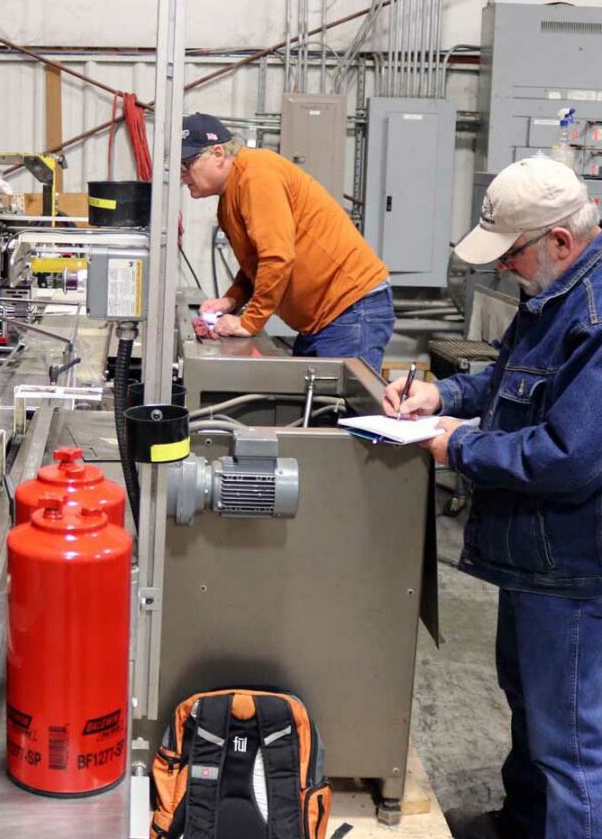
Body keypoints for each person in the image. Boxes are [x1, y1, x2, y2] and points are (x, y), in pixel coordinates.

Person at [383, 156, 602, 839]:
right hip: (532, 554)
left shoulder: (593, 319)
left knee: (570, 741)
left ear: (560, 242)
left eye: (512, 255)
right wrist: (440, 396)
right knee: (530, 706)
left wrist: (460, 448)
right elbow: (506, 380)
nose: (504, 268)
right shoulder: (552, 296)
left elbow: (570, 457)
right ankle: (526, 825)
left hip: (570, 563)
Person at [181, 112, 395, 371]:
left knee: (340, 407)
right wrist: (231, 301)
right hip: (326, 317)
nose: (183, 175)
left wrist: (249, 322)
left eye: (188, 163)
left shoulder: (256, 174)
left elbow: (277, 256)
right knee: (313, 405)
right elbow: (256, 262)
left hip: (350, 308)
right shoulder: (229, 198)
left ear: (217, 154)